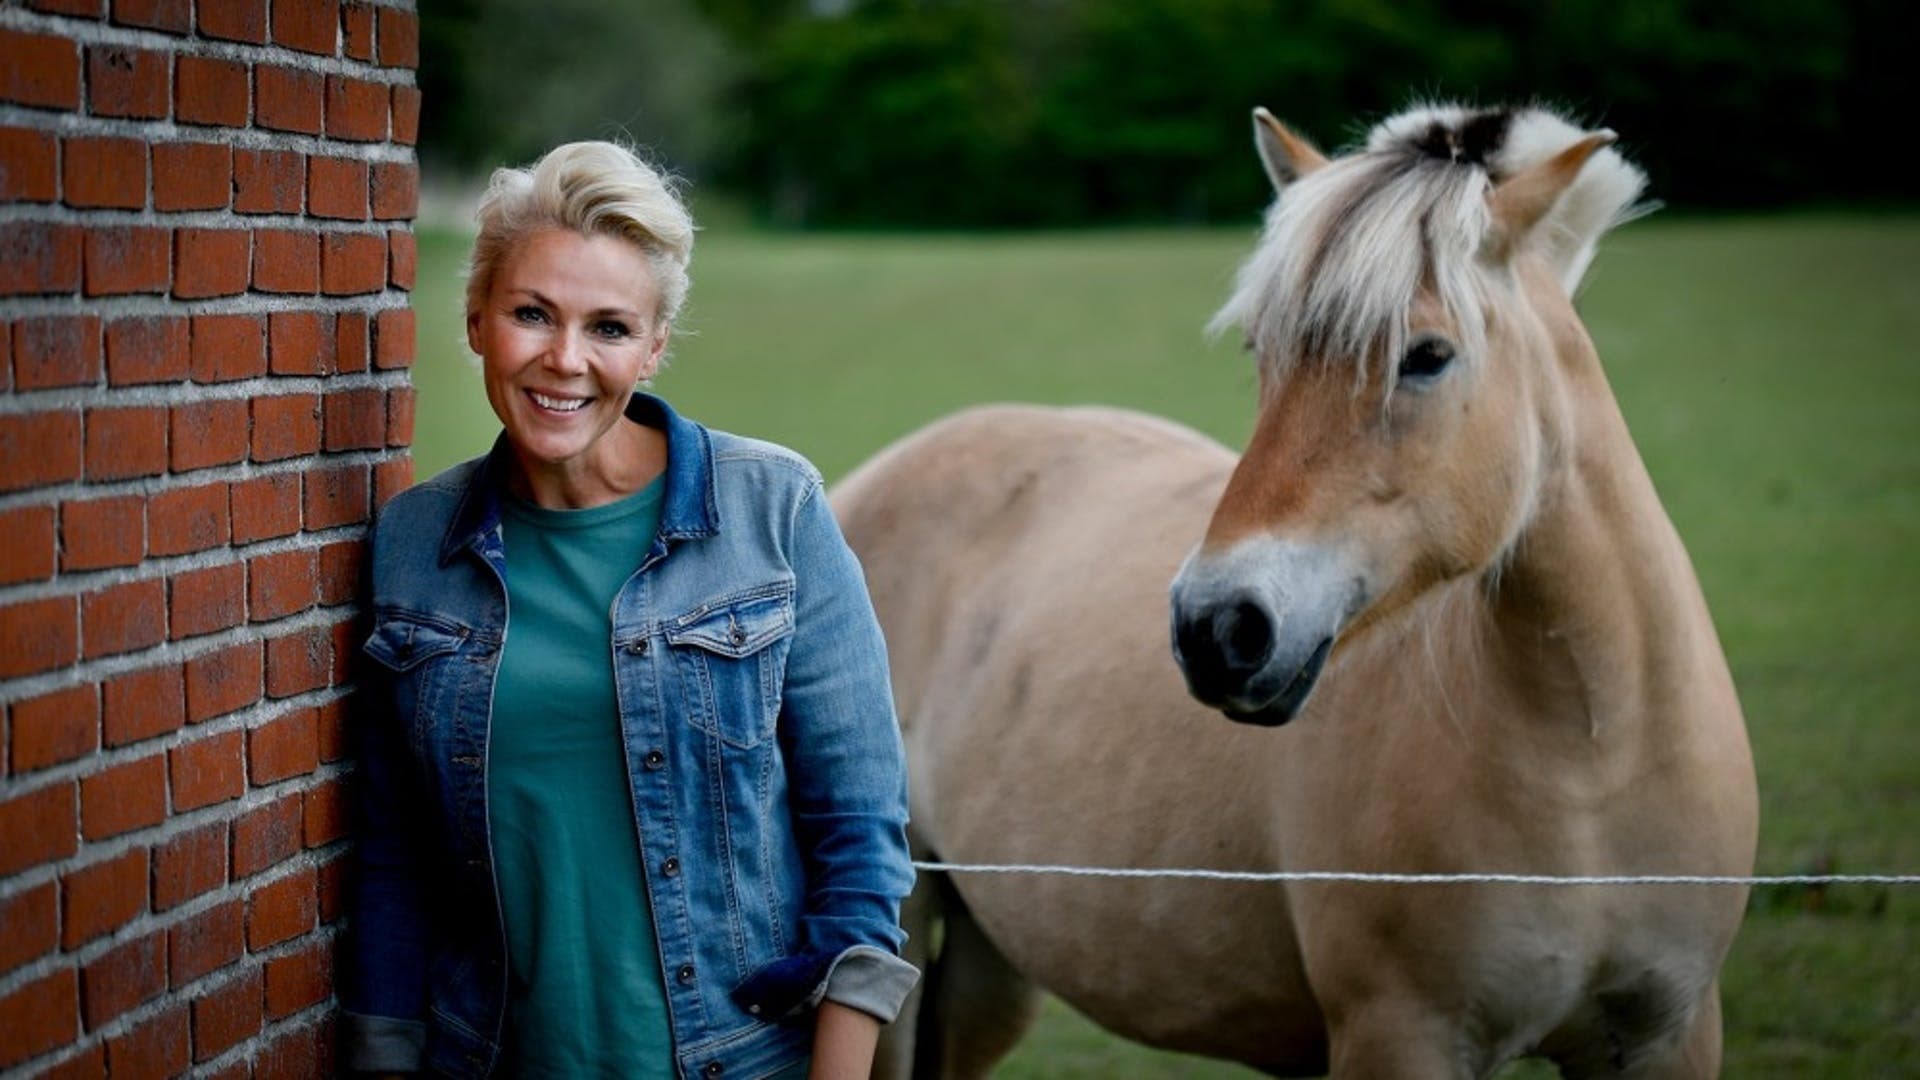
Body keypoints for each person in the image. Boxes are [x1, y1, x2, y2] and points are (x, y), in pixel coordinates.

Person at [341, 141, 918, 1079]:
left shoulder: (774, 512)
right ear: (479, 320)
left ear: (652, 348)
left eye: (609, 328)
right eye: (533, 314)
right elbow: (394, 864)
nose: (565, 361)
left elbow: (859, 827)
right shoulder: (413, 545)